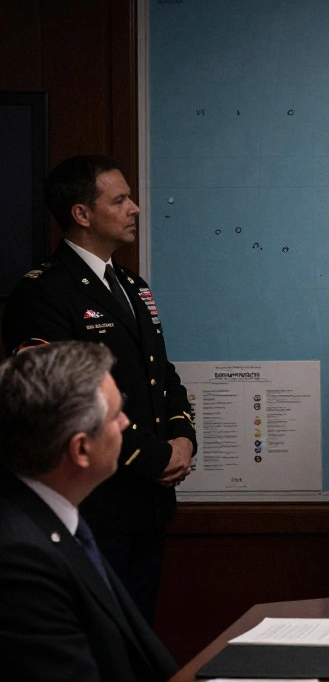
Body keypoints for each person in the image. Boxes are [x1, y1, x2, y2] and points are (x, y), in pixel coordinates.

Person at [1, 156, 196, 622]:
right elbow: (63, 401)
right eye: (120, 199)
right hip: (96, 507)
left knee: (137, 635)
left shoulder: (132, 285)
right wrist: (153, 458)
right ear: (81, 214)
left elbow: (160, 374)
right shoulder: (44, 291)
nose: (135, 209)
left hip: (149, 507)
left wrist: (184, 440)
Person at [0, 341, 179, 682]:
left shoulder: (54, 515)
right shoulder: (18, 560)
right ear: (81, 449)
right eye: (115, 415)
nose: (126, 423)